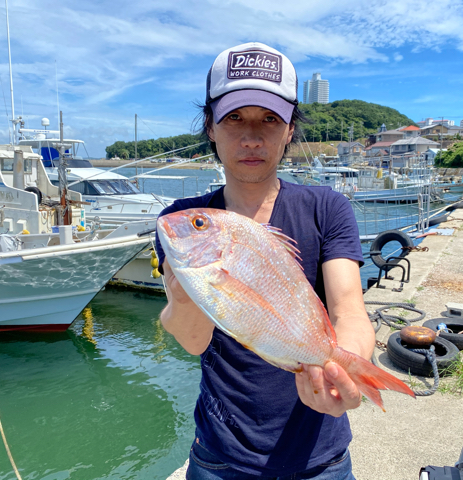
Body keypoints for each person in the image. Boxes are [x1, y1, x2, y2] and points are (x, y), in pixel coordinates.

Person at [155, 42, 373, 479]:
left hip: (321, 456)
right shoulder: (182, 221)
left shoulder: (327, 208)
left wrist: (345, 369)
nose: (252, 136)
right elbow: (194, 340)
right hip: (219, 456)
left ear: (291, 128)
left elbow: (348, 310)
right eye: (234, 117)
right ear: (210, 127)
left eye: (269, 119)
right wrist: (186, 293)